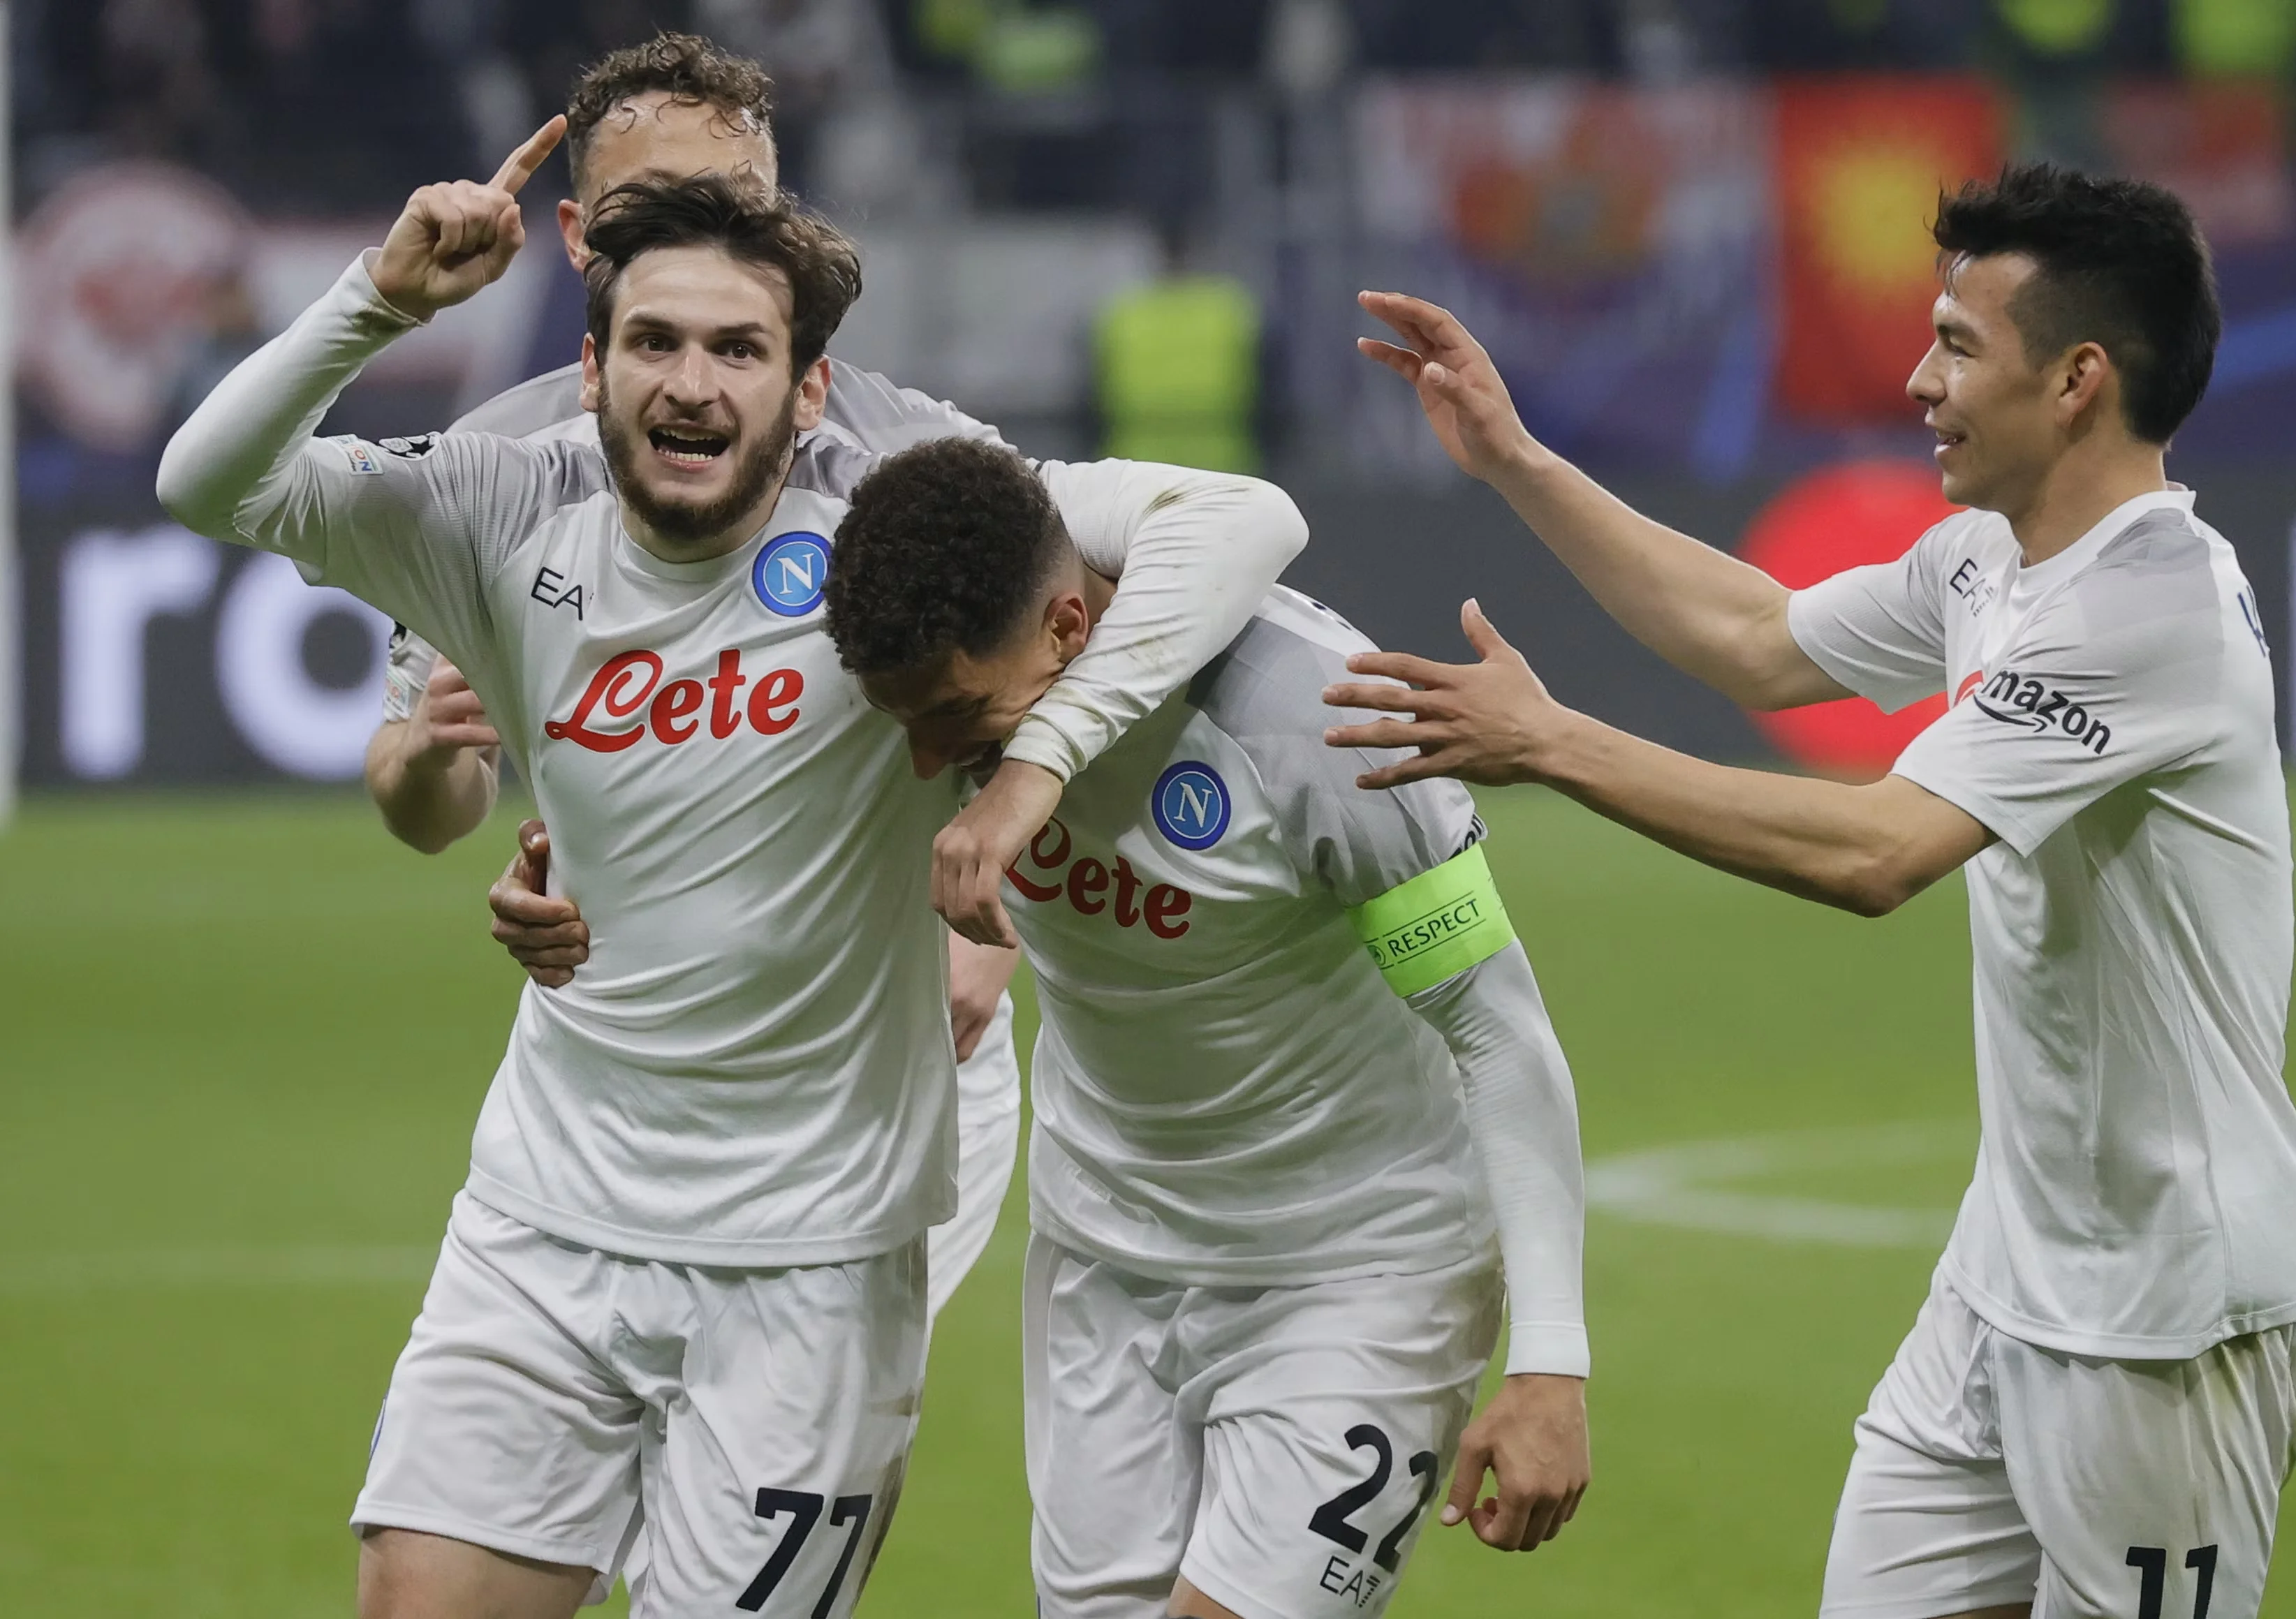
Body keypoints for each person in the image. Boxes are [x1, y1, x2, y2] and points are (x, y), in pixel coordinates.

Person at [156, 150, 1305, 1618]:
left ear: (808, 388)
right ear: (594, 369)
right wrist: (376, 304)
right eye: (653, 342)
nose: (691, 384)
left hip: (809, 1269)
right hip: (543, 1222)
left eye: (738, 350)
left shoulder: (890, 534)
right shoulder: (502, 509)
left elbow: (1244, 521)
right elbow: (206, 483)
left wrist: (1030, 775)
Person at [1331, 163, 2296, 1619]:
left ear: (2077, 381)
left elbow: (1878, 851)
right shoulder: (1993, 556)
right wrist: (1516, 459)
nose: (1921, 381)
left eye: (1958, 347)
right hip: (2011, 1270)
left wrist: (1553, 743)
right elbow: (1756, 637)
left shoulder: (2147, 610)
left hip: (2172, 1314)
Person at [496, 435, 1591, 1619]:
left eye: (955, 715)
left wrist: (1551, 1358)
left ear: (1070, 628)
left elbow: (1495, 1030)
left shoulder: (1321, 726)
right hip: (1102, 1262)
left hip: (1359, 1270)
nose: (927, 760)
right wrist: (568, 886)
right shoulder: (951, 682)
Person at [361, 31, 1026, 1325]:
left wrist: (989, 937)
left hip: (878, 1057)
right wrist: (436, 758)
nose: (699, 232)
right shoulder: (497, 464)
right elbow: (423, 803)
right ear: (576, 238)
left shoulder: (907, 453)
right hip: (629, 1073)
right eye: (651, 207)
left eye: (735, 204)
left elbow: (1067, 682)